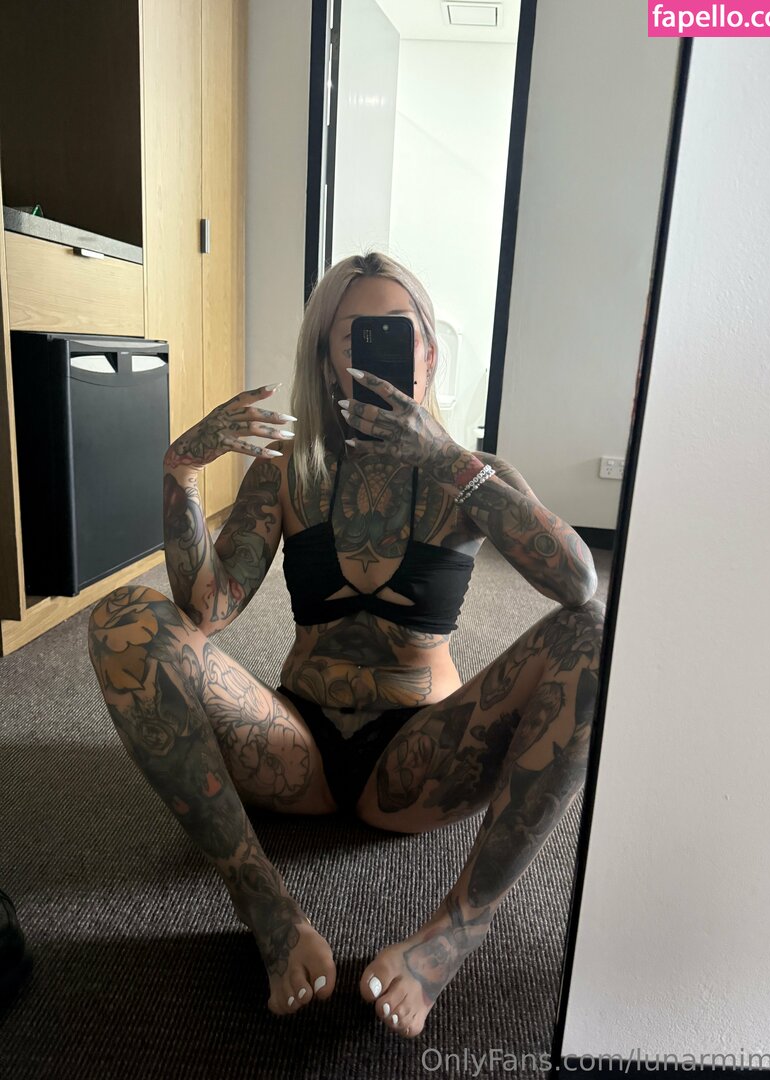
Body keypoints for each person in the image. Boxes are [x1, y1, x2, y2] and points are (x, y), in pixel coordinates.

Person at [87, 252, 605, 1039]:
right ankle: (265, 906)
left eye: (398, 333)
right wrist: (181, 472)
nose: (379, 353)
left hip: (422, 755)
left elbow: (578, 584)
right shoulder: (288, 471)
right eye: (355, 337)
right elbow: (206, 609)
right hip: (296, 745)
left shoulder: (472, 477)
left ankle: (454, 933)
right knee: (125, 619)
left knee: (594, 636)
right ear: (327, 359)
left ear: (429, 352)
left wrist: (447, 460)